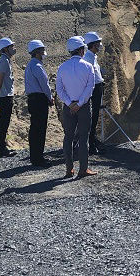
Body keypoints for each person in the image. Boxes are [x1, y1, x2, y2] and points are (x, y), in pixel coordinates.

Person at [56, 36, 95, 179]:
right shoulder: (88, 66)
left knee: (68, 137)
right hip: (83, 107)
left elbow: (59, 89)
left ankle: (69, 169)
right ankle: (83, 169)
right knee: (83, 138)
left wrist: (69, 103)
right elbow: (89, 88)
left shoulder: (62, 67)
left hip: (68, 107)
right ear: (80, 50)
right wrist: (79, 104)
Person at [24, 40, 53, 167]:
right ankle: (38, 158)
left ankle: (35, 156)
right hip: (39, 99)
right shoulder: (37, 66)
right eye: (41, 50)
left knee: (35, 129)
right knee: (40, 129)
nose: (43, 52)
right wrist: (50, 97)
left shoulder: (31, 65)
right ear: (36, 52)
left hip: (33, 99)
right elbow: (44, 84)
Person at [0, 37, 17, 157]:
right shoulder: (3, 61)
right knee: (3, 123)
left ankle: (1, 146)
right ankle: (0, 148)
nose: (13, 49)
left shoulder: (6, 60)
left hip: (6, 95)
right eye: (11, 47)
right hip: (5, 96)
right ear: (5, 49)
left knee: (4, 122)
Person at [83, 31, 105, 155]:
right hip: (93, 89)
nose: (100, 45)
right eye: (98, 43)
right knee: (92, 117)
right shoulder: (88, 58)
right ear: (92, 45)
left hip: (97, 87)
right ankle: (90, 144)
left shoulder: (93, 57)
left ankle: (93, 140)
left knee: (95, 117)